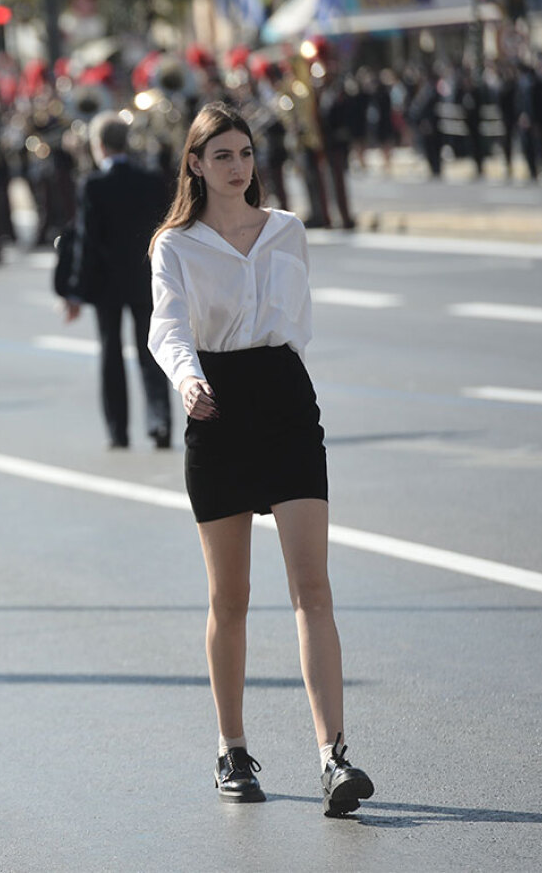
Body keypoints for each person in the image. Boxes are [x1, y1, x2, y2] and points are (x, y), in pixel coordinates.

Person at [146, 102, 374, 816]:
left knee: (315, 587)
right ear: (195, 164)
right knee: (231, 597)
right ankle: (232, 748)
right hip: (214, 402)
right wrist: (188, 381)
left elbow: (296, 325)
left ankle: (333, 756)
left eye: (244, 153)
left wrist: (280, 385)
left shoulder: (286, 231)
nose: (237, 166)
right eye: (221, 156)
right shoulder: (175, 244)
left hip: (282, 398)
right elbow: (169, 327)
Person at [57, 111, 174, 450]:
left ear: (99, 146)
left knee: (111, 354)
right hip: (145, 278)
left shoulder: (93, 184)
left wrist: (75, 292)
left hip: (106, 284)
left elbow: (87, 242)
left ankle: (118, 430)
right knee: (151, 351)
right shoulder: (150, 179)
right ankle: (159, 421)